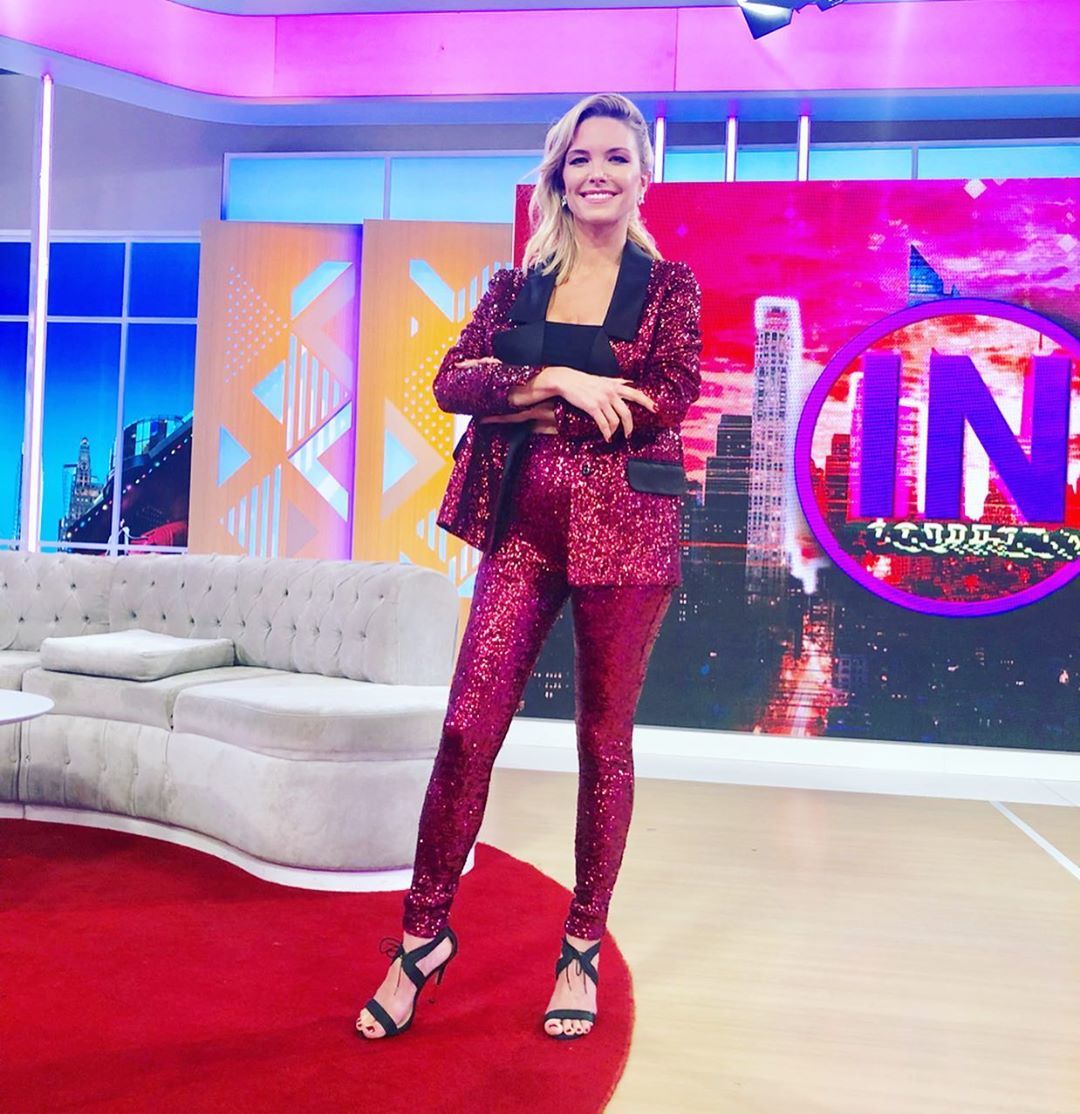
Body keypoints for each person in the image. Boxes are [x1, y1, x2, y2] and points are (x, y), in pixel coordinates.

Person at [356, 92, 702, 1042]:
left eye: (616, 157)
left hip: (627, 535)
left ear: (642, 175)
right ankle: (421, 937)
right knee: (467, 728)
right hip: (522, 529)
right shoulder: (517, 285)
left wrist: (533, 406)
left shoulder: (669, 289)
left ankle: (581, 946)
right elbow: (451, 380)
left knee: (603, 743)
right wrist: (558, 380)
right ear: (559, 176)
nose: (598, 172)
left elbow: (671, 395)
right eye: (580, 158)